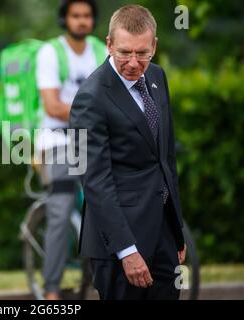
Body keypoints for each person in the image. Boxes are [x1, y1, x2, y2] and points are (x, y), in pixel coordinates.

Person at [69, 4, 187, 300]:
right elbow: (95, 181)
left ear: (154, 46)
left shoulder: (158, 77)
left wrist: (176, 230)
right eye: (124, 52)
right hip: (119, 244)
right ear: (109, 44)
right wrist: (127, 250)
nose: (134, 62)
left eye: (142, 53)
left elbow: (166, 159)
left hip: (163, 233)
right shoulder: (89, 98)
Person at [35, 0, 107, 300]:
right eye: (75, 15)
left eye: (87, 16)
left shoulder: (102, 51)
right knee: (61, 212)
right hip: (59, 140)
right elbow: (52, 106)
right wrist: (97, 117)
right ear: (65, 19)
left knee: (112, 203)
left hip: (94, 140)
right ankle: (51, 290)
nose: (82, 21)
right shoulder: (51, 52)